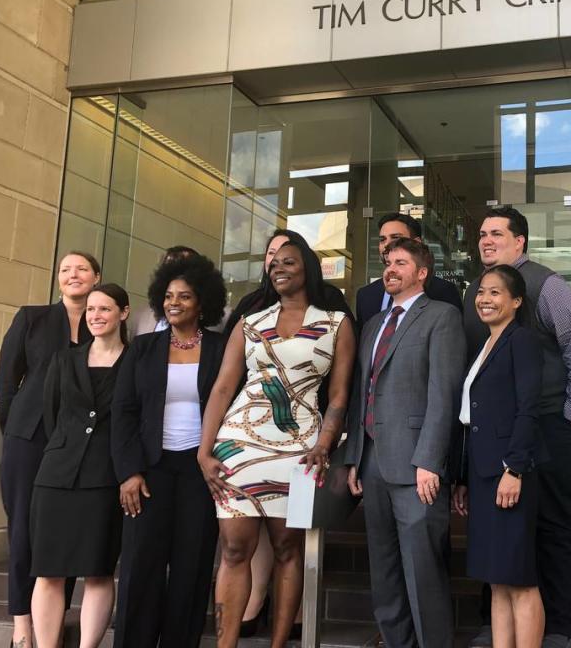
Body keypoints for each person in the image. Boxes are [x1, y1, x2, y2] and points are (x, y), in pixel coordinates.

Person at [464, 206, 571, 648]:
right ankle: (498, 625)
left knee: (552, 523)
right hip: (499, 430)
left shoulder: (546, 285)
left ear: (520, 241)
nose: (486, 240)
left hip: (548, 424)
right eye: (482, 234)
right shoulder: (479, 291)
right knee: (505, 526)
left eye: (497, 233)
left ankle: (558, 627)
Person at [221, 228, 353, 639]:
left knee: (287, 550)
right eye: (273, 263)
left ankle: (279, 643)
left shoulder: (335, 323)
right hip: (240, 445)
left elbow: (338, 395)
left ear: (308, 269)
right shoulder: (249, 321)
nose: (279, 267)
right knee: (233, 550)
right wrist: (206, 451)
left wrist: (325, 442)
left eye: (289, 261)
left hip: (301, 451)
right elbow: (224, 386)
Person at [345, 238, 466, 648]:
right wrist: (353, 459)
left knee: (423, 571)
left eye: (401, 262)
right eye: (387, 262)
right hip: (373, 462)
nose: (391, 268)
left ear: (422, 272)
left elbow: (444, 394)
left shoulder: (443, 317)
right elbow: (363, 392)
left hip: (418, 465)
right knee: (385, 569)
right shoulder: (373, 326)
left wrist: (431, 460)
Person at [111, 255, 228, 648]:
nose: (173, 302)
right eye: (168, 295)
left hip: (199, 471)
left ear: (203, 303)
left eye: (185, 296)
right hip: (149, 471)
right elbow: (123, 413)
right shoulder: (142, 348)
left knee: (191, 568)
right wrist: (128, 471)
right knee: (141, 566)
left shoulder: (222, 348)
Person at [0, 250, 100, 648]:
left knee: (64, 530)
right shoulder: (31, 317)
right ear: (58, 279)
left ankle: (53, 627)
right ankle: (22, 626)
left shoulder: (101, 322)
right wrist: (14, 432)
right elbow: (7, 382)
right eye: (65, 270)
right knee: (23, 528)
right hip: (28, 437)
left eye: (82, 269)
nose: (73, 275)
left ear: (96, 277)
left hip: (75, 443)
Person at [29, 284, 130, 648]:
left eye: (104, 309)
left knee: (98, 571)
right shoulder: (64, 359)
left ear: (124, 313)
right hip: (56, 476)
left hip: (104, 479)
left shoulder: (136, 362)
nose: (96, 316)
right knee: (48, 572)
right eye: (91, 309)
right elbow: (54, 414)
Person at [453, 265, 545, 648]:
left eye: (495, 293)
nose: (484, 299)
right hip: (482, 473)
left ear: (516, 300)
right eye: (481, 292)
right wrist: (462, 477)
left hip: (508, 471)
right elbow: (471, 418)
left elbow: (529, 409)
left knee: (519, 578)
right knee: (497, 579)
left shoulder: (521, 341)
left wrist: (515, 469)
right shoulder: (485, 345)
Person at [356, 212, 463, 326]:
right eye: (382, 239)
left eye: (396, 237)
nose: (386, 245)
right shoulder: (365, 296)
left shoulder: (443, 291)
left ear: (416, 243)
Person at [130, 245, 199, 337]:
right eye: (168, 269)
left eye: (181, 269)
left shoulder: (222, 321)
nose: (174, 276)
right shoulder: (141, 317)